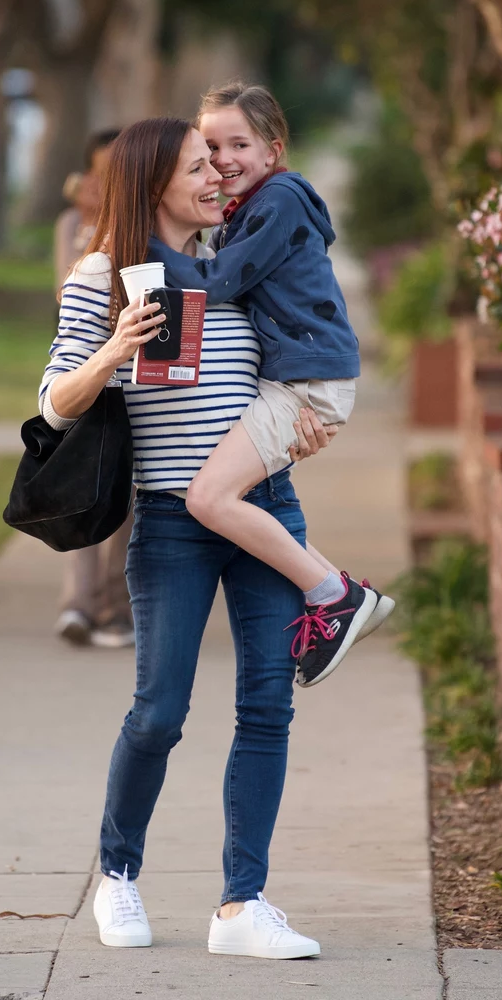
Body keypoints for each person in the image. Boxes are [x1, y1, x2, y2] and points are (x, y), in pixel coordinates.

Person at [38, 117, 340, 959]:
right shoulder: (105, 274)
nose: (216, 175)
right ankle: (119, 874)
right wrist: (114, 351)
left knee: (267, 706)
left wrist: (302, 424)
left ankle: (242, 905)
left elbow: (283, 376)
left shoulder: (235, 263)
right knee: (160, 711)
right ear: (152, 181)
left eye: (217, 162)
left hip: (263, 508)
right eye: (197, 166)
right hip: (171, 521)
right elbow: (52, 401)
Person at [148, 82, 394, 688]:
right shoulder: (243, 212)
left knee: (208, 498)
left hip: (307, 384)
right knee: (220, 492)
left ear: (272, 151)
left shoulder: (279, 199)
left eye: (240, 144)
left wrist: (144, 244)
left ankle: (333, 595)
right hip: (298, 382)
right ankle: (347, 595)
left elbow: (220, 282)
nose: (224, 159)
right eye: (210, 147)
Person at [52, 129, 135, 649]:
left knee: (123, 496)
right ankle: (77, 604)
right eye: (100, 171)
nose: (107, 183)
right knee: (79, 490)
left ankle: (114, 606)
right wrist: (89, 234)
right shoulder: (73, 225)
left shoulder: (142, 231)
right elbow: (63, 293)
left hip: (130, 379)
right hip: (82, 372)